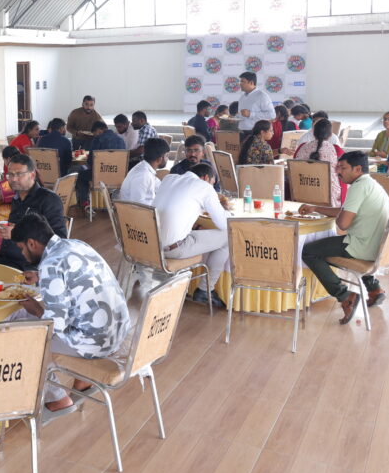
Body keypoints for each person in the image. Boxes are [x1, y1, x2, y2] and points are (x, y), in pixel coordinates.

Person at [10, 212, 131, 413]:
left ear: (31, 243)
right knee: (30, 319)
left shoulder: (50, 264)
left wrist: (37, 310)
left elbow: (55, 325)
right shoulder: (75, 245)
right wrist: (41, 276)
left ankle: (57, 398)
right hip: (117, 331)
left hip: (96, 343)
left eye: (22, 248)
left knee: (22, 336)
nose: (23, 254)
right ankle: (82, 380)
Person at [300, 151, 389, 323]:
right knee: (326, 245)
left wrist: (341, 217)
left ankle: (345, 296)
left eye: (343, 168)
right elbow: (346, 211)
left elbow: (343, 224)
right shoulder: (371, 184)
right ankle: (374, 289)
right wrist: (315, 208)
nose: (338, 172)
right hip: (378, 246)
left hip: (363, 246)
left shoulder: (358, 187)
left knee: (309, 251)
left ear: (357, 169)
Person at [153, 163, 229, 309]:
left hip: (151, 245)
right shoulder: (204, 187)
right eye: (212, 183)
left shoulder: (169, 178)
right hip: (173, 249)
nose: (212, 187)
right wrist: (227, 212)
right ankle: (206, 289)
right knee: (227, 237)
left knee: (197, 232)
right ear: (206, 178)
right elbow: (224, 224)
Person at [0, 154, 68, 271]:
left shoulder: (49, 199)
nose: (13, 179)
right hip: (6, 259)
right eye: (10, 174)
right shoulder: (17, 198)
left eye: (19, 174)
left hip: (30, 266)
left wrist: (16, 232)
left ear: (32, 175)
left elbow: (60, 239)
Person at [75, 120, 127, 211]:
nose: (95, 136)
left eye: (95, 134)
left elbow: (91, 161)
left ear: (99, 131)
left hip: (100, 177)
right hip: (118, 177)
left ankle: (84, 203)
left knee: (80, 176)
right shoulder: (121, 140)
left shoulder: (98, 139)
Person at [294, 118, 344, 205]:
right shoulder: (334, 149)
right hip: (329, 195)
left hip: (304, 192)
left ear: (313, 133)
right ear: (330, 134)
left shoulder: (303, 147)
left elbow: (295, 168)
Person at [117, 138, 168, 205]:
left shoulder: (145, 168)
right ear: (159, 159)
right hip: (134, 211)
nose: (167, 159)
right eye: (166, 156)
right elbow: (137, 206)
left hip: (142, 209)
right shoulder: (143, 175)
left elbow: (161, 187)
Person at [237, 72, 275, 137]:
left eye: (243, 81)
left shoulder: (262, 96)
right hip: (241, 131)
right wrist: (234, 118)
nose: (240, 84)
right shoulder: (242, 97)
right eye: (240, 81)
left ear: (251, 83)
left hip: (254, 132)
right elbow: (242, 115)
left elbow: (271, 115)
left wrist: (250, 114)